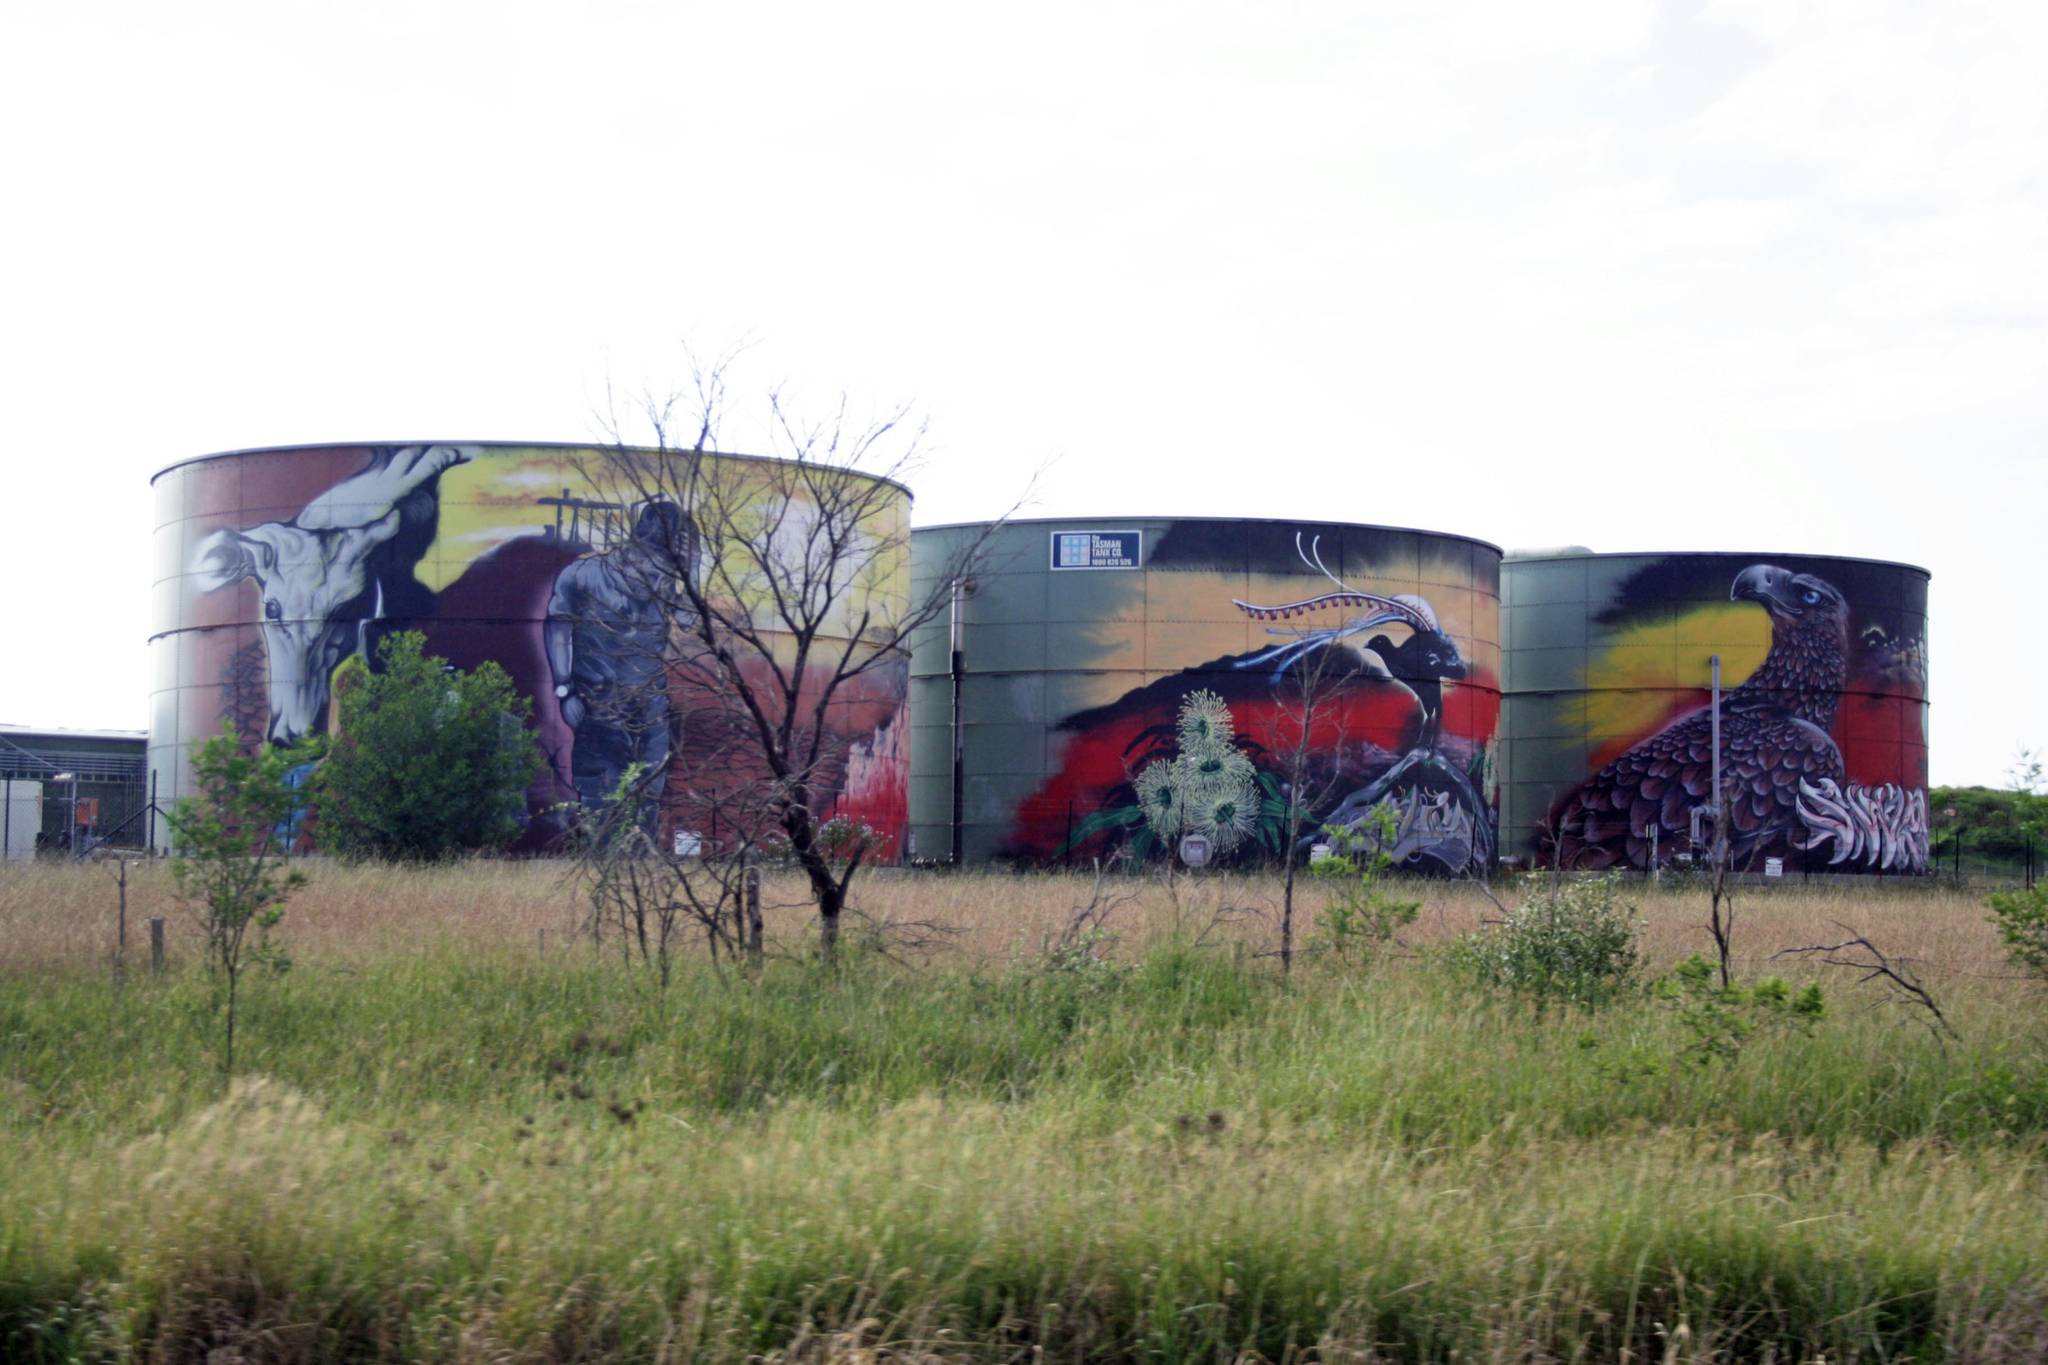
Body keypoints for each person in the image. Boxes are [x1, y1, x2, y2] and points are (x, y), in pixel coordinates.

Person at [544, 500, 698, 819]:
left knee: (650, 793)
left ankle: (642, 861)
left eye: (665, 572)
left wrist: (692, 570)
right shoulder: (583, 575)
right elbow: (558, 627)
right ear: (633, 550)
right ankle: (599, 858)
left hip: (650, 707)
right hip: (598, 701)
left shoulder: (663, 584)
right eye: (653, 569)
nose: (657, 581)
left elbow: (689, 621)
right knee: (600, 794)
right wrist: (564, 690)